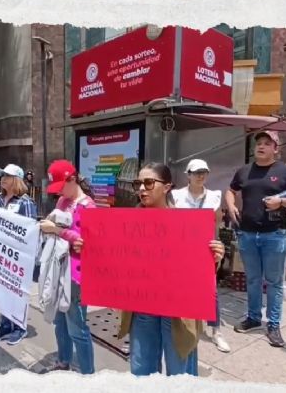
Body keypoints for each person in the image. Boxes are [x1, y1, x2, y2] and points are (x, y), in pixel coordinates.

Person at [94, 162, 225, 376]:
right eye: (138, 183)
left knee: (179, 374)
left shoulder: (186, 222)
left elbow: (201, 268)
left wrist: (215, 256)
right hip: (143, 306)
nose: (142, 189)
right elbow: (114, 259)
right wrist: (86, 249)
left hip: (178, 310)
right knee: (141, 370)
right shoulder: (127, 223)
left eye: (148, 182)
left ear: (166, 187)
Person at [224, 131, 286, 348]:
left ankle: (274, 325)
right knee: (252, 279)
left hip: (275, 234)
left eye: (266, 144)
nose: (261, 146)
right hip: (247, 233)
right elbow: (230, 191)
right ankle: (253, 318)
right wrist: (231, 205)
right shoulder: (244, 171)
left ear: (275, 149)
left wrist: (281, 201)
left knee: (274, 282)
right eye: (258, 143)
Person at [38, 160, 96, 374]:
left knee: (77, 328)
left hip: (77, 275)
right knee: (59, 321)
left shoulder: (89, 206)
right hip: (58, 268)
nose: (59, 192)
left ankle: (88, 375)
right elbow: (55, 226)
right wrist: (49, 228)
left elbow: (86, 243)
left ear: (73, 179)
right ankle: (63, 361)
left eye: (61, 186)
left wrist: (57, 231)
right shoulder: (62, 201)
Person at [171, 159, 230, 353]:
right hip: (181, 248)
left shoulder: (214, 196)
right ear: (188, 175)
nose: (200, 176)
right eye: (196, 172)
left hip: (205, 248)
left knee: (211, 290)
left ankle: (216, 331)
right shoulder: (176, 195)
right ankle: (183, 325)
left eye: (204, 172)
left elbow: (217, 223)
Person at [0, 164, 38, 346]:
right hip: (0, 254)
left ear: (16, 179)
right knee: (1, 291)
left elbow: (31, 231)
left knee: (16, 293)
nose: (3, 179)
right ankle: (5, 326)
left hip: (18, 257)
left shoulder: (25, 202)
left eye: (7, 176)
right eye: (2, 176)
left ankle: (19, 328)